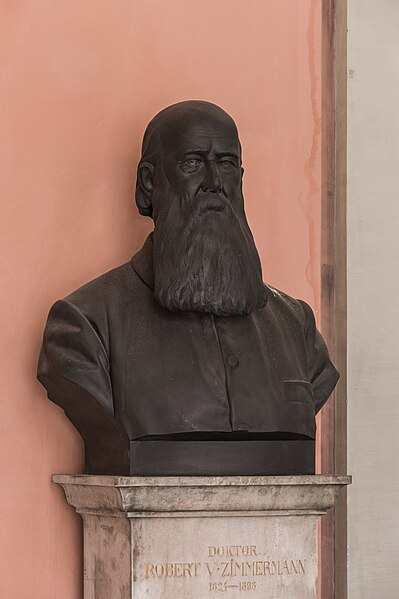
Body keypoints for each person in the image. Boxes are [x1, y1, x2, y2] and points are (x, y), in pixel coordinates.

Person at [38, 101, 339, 475]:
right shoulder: (85, 323)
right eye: (192, 163)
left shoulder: (296, 327)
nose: (214, 182)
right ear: (150, 182)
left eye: (227, 164)